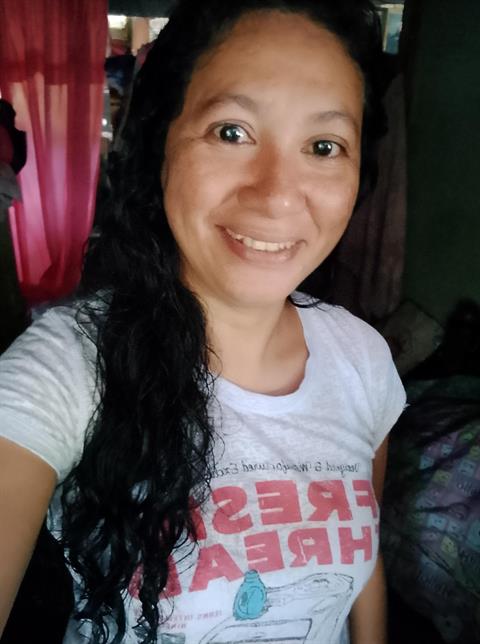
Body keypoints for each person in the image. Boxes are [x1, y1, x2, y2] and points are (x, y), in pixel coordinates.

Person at [0, 1, 406, 643]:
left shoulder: (363, 360)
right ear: (160, 142)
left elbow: (364, 555)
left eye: (324, 146)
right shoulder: (68, 366)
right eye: (231, 132)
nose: (276, 193)